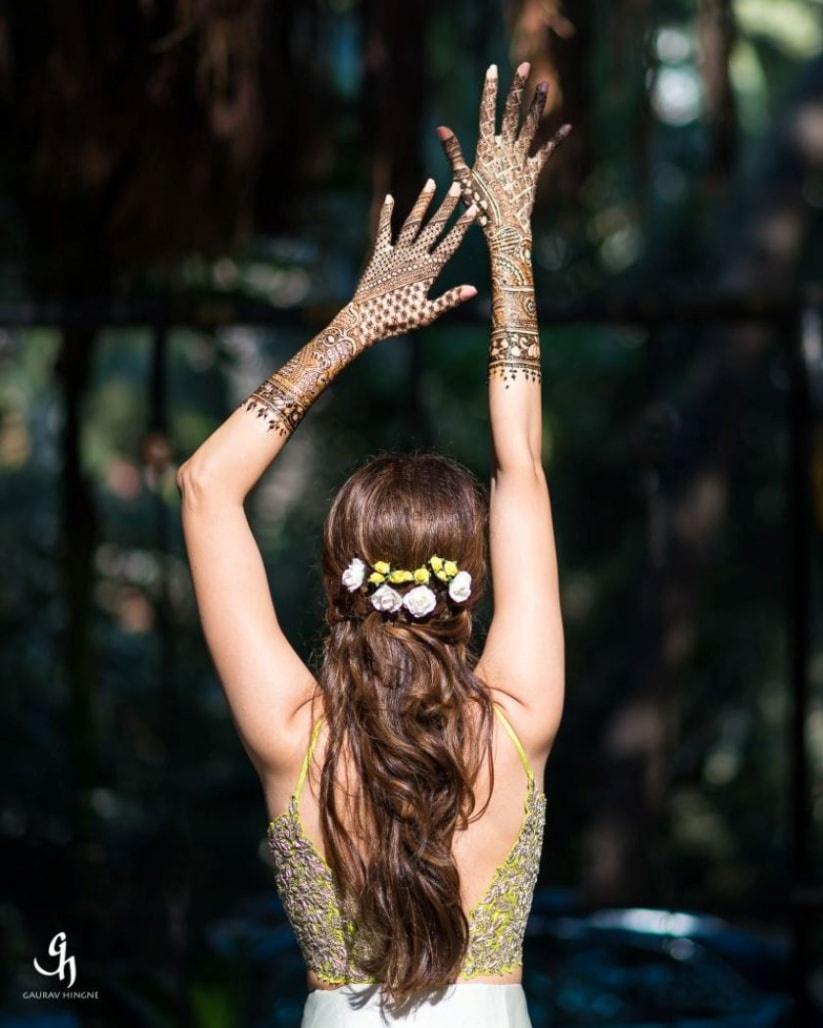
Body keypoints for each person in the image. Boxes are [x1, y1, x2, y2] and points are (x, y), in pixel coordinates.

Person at [177, 62, 570, 1027]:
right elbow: (518, 462)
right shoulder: (520, 724)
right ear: (467, 589)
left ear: (337, 581)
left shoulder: (293, 738)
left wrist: (354, 325)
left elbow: (204, 485)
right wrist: (510, 242)